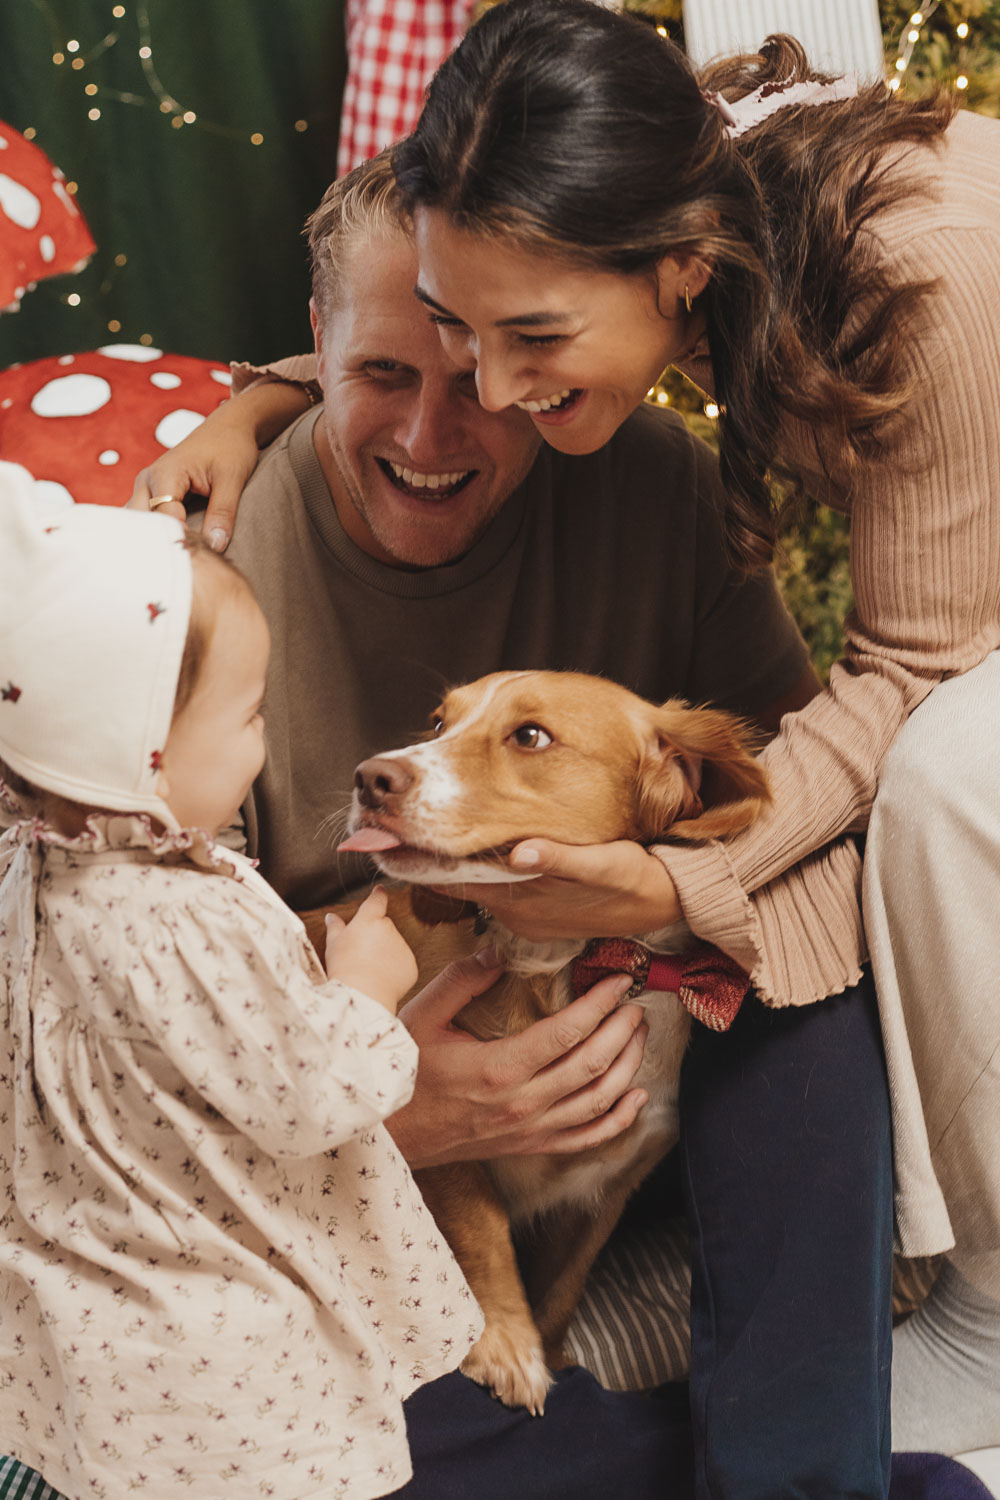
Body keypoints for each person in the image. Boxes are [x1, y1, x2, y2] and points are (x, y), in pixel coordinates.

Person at [126, 154, 905, 1500]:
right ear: (313, 346)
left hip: (631, 1009)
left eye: (475, 377)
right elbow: (149, 1028)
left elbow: (793, 777)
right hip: (330, 1062)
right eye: (379, 374)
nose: (433, 435)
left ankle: (806, 1470)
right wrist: (385, 1117)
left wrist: (675, 897)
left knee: (814, 985)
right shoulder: (198, 562)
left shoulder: (655, 483)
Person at [380, 0, 1000, 1469]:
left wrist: (667, 887)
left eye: (534, 337)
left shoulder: (920, 273)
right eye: (459, 329)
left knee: (940, 778)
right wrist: (265, 403)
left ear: (683, 269)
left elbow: (917, 661)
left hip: (964, 680)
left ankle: (987, 1306)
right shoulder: (693, 218)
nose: (492, 390)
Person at [0, 461, 695, 1500]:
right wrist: (366, 995)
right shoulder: (194, 917)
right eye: (247, 721)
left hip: (80, 1355)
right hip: (233, 1363)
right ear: (141, 764)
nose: (267, 744)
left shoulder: (33, 874)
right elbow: (314, 1093)